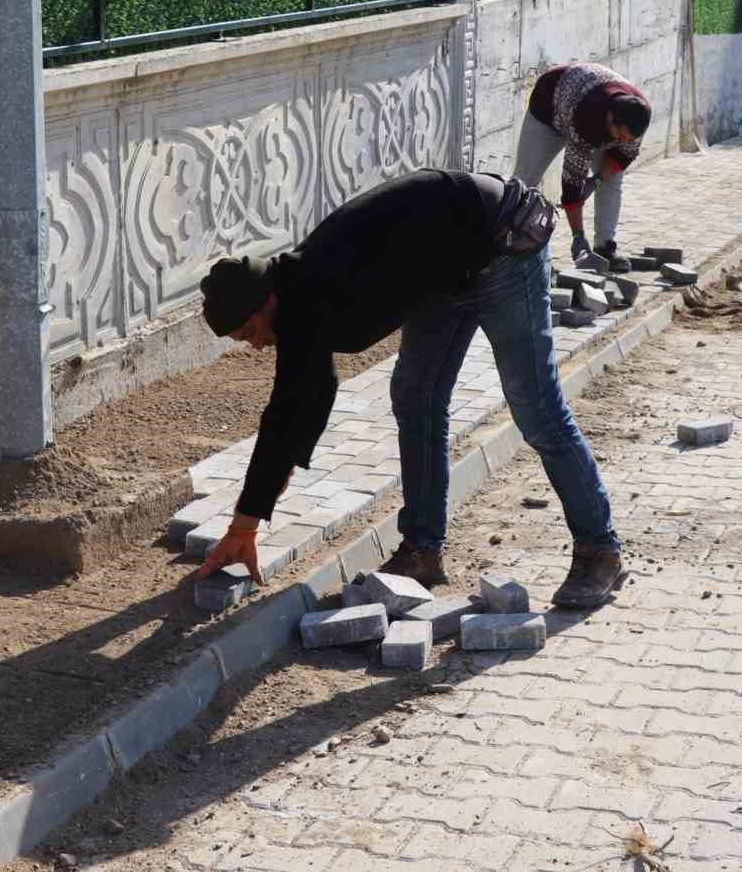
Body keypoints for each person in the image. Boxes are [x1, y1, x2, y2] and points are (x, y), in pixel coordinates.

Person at [194, 168, 625, 609]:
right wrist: (248, 519)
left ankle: (600, 550)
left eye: (250, 333)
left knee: (535, 407)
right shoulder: (296, 296)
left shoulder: (312, 289)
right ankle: (422, 550)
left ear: (265, 301)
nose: (258, 345)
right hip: (447, 267)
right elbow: (296, 408)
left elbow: (291, 410)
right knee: (415, 397)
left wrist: (244, 525)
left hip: (504, 242)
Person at [514, 62, 652, 269]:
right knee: (525, 182)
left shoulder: (638, 116)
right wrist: (578, 236)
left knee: (612, 179)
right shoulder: (587, 118)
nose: (624, 141)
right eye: (621, 136)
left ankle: (606, 246)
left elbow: (624, 157)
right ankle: (514, 250)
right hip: (549, 105)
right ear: (611, 120)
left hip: (583, 94)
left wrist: (596, 180)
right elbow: (571, 185)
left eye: (628, 138)